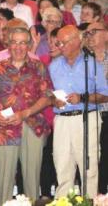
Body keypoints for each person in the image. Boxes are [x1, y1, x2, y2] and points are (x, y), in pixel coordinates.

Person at [0, 27, 53, 206]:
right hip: (4, 129)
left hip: (33, 126)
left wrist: (25, 113)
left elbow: (48, 97)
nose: (18, 47)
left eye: (23, 42)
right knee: (4, 180)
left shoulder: (38, 67)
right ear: (8, 44)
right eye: (14, 42)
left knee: (32, 179)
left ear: (29, 45)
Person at [49, 25, 108, 197]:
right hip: (61, 119)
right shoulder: (54, 66)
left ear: (77, 41)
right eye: (58, 43)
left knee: (88, 167)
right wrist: (54, 100)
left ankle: (88, 201)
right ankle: (63, 202)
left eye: (64, 42)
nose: (60, 46)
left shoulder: (92, 64)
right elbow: (46, 94)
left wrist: (83, 98)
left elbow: (105, 95)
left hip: (86, 118)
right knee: (62, 165)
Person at [84, 22, 108, 193]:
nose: (90, 35)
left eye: (94, 31)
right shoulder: (83, 60)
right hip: (90, 115)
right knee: (92, 160)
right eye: (87, 33)